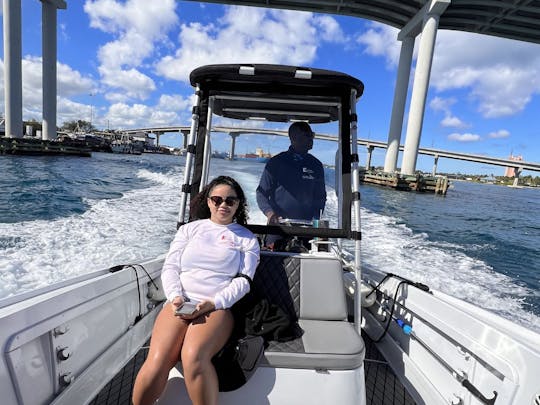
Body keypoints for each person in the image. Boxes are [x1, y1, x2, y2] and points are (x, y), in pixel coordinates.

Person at [132, 176, 260, 405]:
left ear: (239, 204)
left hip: (216, 308)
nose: (223, 205)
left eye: (230, 201)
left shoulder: (246, 239)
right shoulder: (189, 230)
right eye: (217, 199)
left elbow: (244, 280)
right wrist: (175, 297)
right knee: (158, 359)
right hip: (180, 301)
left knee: (193, 357)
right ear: (208, 201)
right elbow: (171, 266)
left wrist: (214, 302)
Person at [256, 121, 326, 248]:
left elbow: (320, 197)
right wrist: (270, 213)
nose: (311, 139)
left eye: (312, 135)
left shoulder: (316, 165)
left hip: (307, 228)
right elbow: (261, 193)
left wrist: (317, 222)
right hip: (278, 227)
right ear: (294, 138)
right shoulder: (276, 162)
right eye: (307, 135)